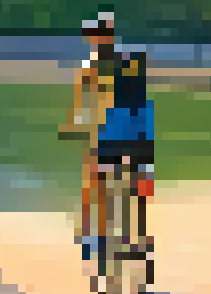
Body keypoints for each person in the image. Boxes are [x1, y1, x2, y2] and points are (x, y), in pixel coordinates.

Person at [63, 14, 154, 261]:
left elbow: (86, 104)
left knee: (103, 181)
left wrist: (75, 126)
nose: (93, 40)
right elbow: (84, 103)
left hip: (117, 132)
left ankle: (107, 238)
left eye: (96, 35)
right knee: (115, 182)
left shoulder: (104, 65)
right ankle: (118, 237)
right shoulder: (118, 62)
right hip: (126, 130)